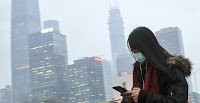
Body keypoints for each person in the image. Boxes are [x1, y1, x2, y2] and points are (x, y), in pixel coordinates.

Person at [121, 27, 192, 103]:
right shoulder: (141, 71)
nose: (135, 55)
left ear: (146, 47)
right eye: (133, 52)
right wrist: (128, 100)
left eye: (136, 50)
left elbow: (179, 100)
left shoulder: (171, 69)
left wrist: (143, 96)